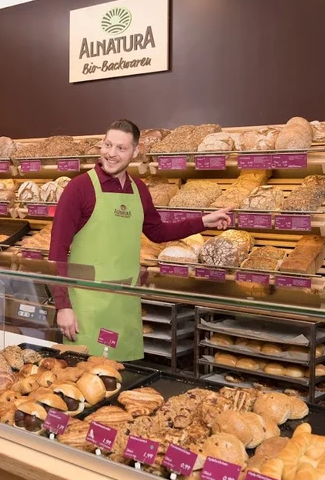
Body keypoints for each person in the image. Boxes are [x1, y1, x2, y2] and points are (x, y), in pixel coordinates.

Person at [49, 120, 232, 361]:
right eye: (107, 145)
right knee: (86, 382)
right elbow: (57, 252)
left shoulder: (139, 190)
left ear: (135, 152)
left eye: (121, 148)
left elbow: (158, 233)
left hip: (124, 306)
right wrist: (63, 306)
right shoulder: (79, 188)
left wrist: (203, 222)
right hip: (86, 308)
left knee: (124, 385)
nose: (111, 153)